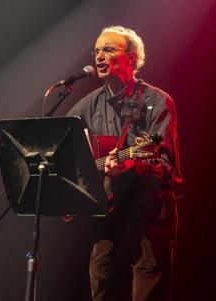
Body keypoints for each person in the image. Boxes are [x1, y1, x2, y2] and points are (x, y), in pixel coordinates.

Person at [66, 26, 182, 301]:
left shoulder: (158, 102)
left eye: (108, 49)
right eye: (96, 51)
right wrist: (70, 191)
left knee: (148, 291)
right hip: (110, 208)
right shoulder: (86, 105)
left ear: (131, 58)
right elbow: (64, 150)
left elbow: (167, 167)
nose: (99, 57)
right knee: (102, 285)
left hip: (150, 209)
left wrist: (134, 166)